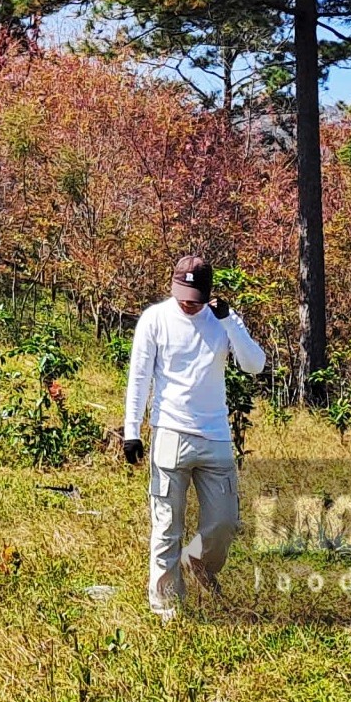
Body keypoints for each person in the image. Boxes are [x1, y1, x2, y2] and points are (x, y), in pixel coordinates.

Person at [122, 253, 265, 616]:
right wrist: (131, 431)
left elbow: (254, 365)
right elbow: (139, 377)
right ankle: (165, 607)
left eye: (194, 296)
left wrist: (231, 321)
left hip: (215, 435)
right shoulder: (154, 319)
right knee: (167, 524)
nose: (186, 302)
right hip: (169, 431)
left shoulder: (223, 321)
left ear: (208, 293)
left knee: (224, 521)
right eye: (180, 293)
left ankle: (197, 563)